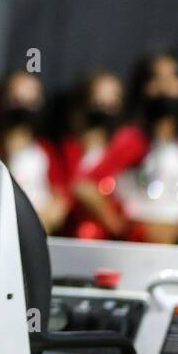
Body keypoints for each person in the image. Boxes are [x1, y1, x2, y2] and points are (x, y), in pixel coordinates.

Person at [74, 52, 178, 245]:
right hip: (139, 244)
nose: (166, 86)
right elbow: (85, 186)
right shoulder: (134, 140)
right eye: (157, 78)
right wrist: (123, 225)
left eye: (174, 77)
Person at [0, 70, 70, 234]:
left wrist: (41, 222)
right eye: (16, 99)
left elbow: (61, 197)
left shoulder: (46, 150)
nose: (23, 106)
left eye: (31, 100)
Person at [59, 69, 125, 239]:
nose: (105, 108)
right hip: (68, 238)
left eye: (114, 98)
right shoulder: (67, 149)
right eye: (99, 99)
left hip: (111, 240)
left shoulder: (123, 150)